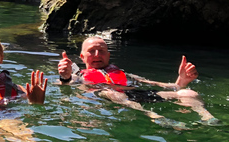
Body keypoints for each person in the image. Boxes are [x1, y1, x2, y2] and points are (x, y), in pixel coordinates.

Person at [57, 36, 216, 126]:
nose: (97, 54)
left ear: (108, 55)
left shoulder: (123, 74)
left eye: (102, 51)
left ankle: (208, 119)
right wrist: (65, 76)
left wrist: (181, 81)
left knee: (189, 93)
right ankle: (157, 118)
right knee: (113, 94)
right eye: (92, 52)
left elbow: (164, 86)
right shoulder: (79, 75)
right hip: (106, 96)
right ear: (82, 57)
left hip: (135, 95)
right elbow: (66, 84)